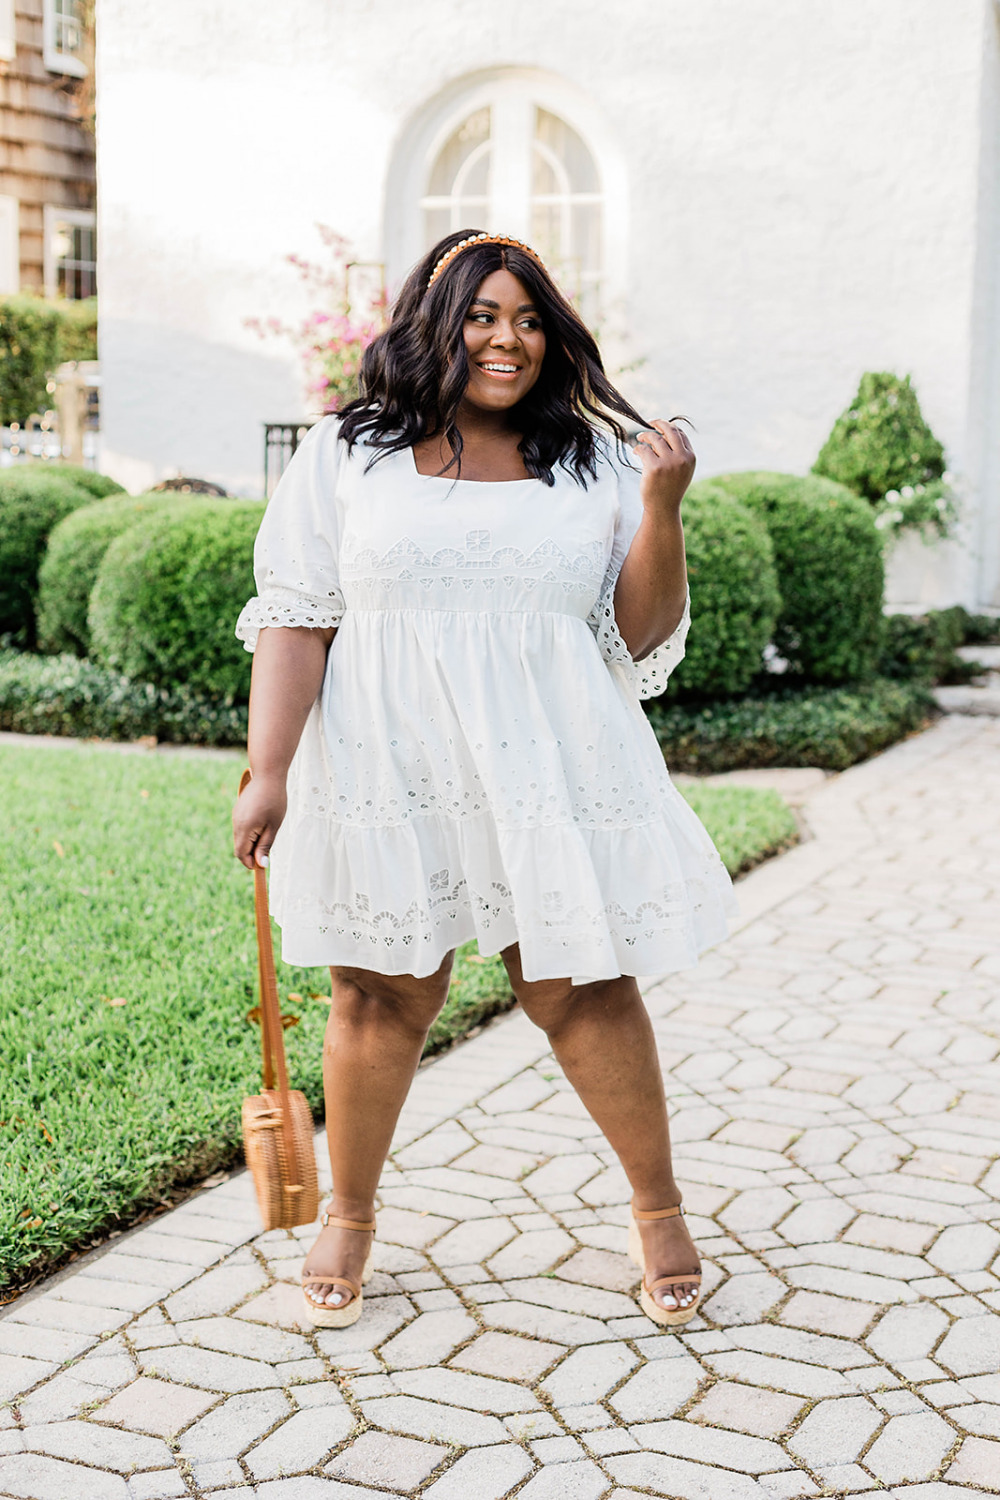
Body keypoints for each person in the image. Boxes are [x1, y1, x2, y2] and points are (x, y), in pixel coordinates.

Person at [233, 229, 735, 1332]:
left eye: (527, 318)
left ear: (552, 338)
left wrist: (662, 508)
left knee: (580, 985)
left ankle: (658, 1213)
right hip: (387, 755)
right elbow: (297, 613)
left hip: (547, 761)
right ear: (434, 321)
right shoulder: (346, 452)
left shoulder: (595, 460)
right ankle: (351, 1217)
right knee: (378, 991)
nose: (506, 338)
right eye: (480, 314)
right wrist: (269, 772)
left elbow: (637, 636)